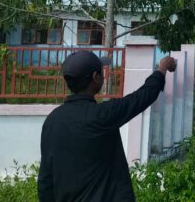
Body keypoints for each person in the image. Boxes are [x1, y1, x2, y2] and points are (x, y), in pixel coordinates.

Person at [38, 50, 177, 202]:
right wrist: (163, 66)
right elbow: (144, 95)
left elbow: (46, 181)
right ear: (96, 78)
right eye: (101, 73)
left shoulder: (52, 121)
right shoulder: (103, 115)